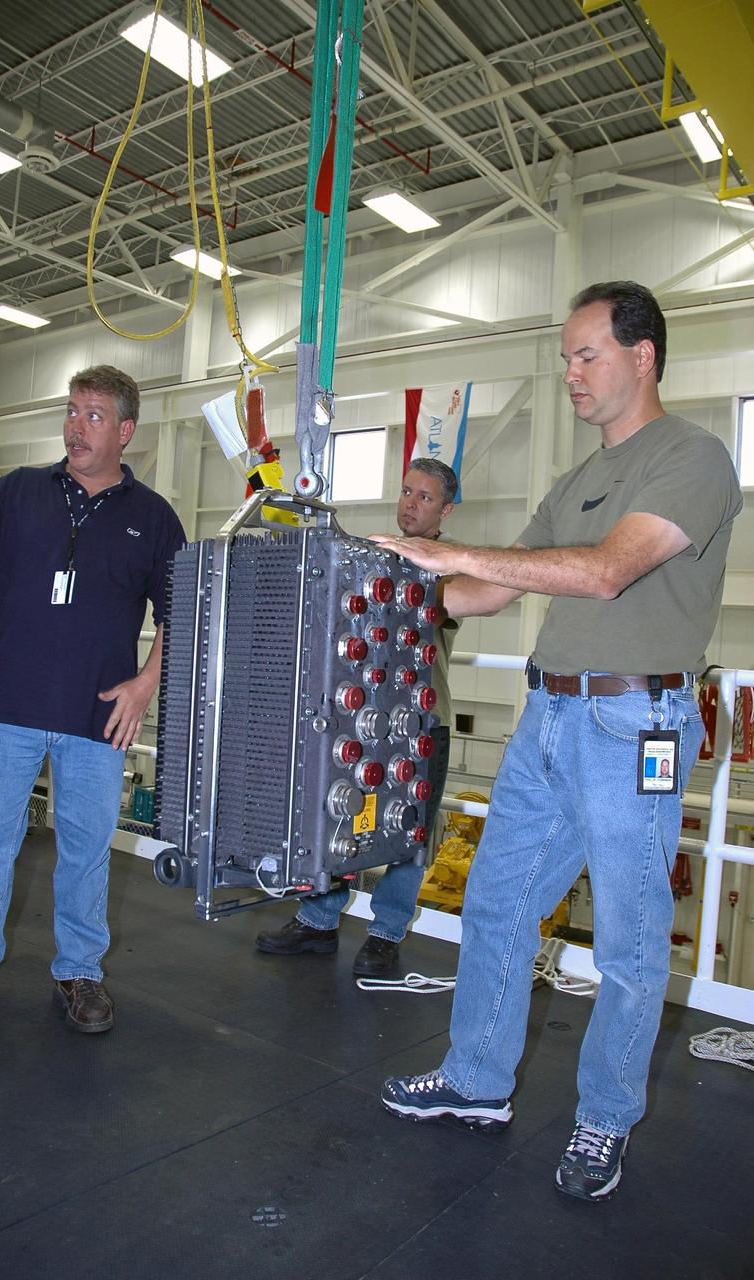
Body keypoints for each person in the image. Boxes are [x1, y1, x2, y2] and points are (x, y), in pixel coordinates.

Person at [371, 282, 742, 1201]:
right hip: (548, 716)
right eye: (565, 357)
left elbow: (607, 571)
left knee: (627, 941)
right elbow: (490, 590)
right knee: (496, 903)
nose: (570, 373)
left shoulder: (693, 457)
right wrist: (383, 594)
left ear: (641, 356)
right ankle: (476, 1079)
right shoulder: (575, 481)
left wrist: (453, 553)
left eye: (586, 355)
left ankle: (604, 1117)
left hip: (633, 725)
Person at [0, 366, 185, 1034]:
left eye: (94, 416)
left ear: (125, 430)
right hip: (9, 705)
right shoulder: (18, 491)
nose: (76, 426)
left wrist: (146, 683)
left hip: (98, 716)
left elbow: (183, 612)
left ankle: (79, 971)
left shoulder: (153, 518)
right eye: (71, 411)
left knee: (86, 852)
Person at [255, 458, 459, 977]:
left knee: (410, 831)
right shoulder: (375, 555)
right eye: (407, 491)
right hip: (361, 715)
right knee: (337, 815)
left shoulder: (447, 568)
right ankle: (318, 920)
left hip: (420, 721)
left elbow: (432, 607)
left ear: (446, 511)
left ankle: (387, 933)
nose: (411, 504)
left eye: (425, 497)